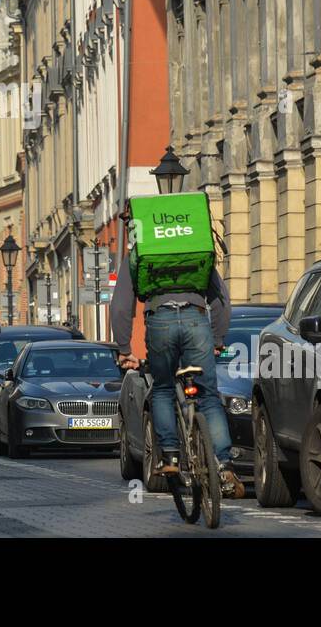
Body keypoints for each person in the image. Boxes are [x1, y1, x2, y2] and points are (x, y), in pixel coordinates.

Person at [110, 209, 242, 498]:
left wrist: (123, 348)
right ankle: (223, 464)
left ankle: (169, 456)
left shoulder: (139, 255)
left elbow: (120, 306)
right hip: (196, 318)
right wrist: (218, 337)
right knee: (208, 396)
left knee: (163, 389)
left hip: (160, 321)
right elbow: (221, 299)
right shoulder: (196, 248)